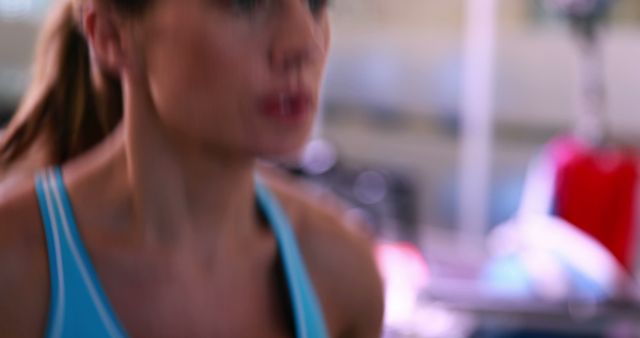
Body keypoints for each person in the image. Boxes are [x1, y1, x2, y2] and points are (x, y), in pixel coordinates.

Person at [0, 0, 384, 337]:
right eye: (245, 3)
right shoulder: (16, 273)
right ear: (111, 35)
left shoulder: (341, 273)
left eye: (317, 3)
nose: (306, 44)